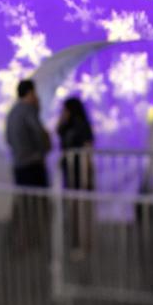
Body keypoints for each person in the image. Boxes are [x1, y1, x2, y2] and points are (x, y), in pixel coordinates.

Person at [4, 79, 52, 251]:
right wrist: (43, 150)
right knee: (37, 204)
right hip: (33, 163)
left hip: (19, 164)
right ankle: (33, 240)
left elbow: (8, 139)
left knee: (22, 202)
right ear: (30, 93)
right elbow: (39, 133)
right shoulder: (29, 111)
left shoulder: (12, 112)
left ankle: (17, 239)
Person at [56, 96, 96, 259]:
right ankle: (76, 242)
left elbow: (88, 150)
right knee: (74, 209)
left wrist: (87, 174)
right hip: (70, 173)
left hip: (80, 174)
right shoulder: (67, 126)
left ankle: (83, 244)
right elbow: (58, 132)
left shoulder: (81, 125)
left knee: (81, 209)